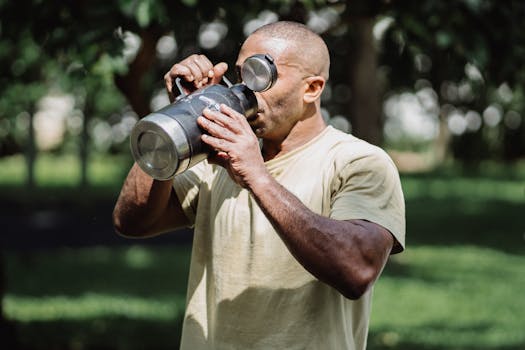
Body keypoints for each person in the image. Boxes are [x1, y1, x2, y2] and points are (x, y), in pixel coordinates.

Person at [113, 21, 405, 350]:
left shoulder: (359, 162)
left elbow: (356, 270)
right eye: (240, 75)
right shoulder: (216, 159)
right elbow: (132, 221)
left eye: (259, 75)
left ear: (311, 89)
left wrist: (257, 176)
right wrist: (177, 121)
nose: (244, 90)